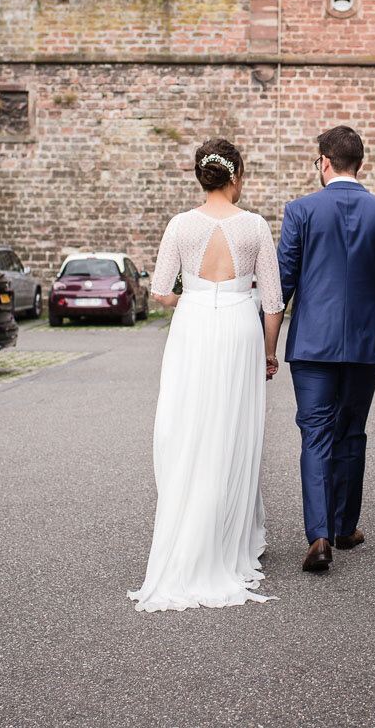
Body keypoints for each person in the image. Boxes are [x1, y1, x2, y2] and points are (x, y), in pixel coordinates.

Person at [128, 138, 286, 612]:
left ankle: (189, 525)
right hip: (241, 327)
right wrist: (269, 353)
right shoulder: (255, 226)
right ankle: (228, 536)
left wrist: (193, 299)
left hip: (193, 329)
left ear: (202, 176)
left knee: (190, 426)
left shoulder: (180, 225)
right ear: (235, 175)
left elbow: (159, 291)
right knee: (233, 430)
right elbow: (274, 302)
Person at [278, 126, 375, 572]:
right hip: (364, 342)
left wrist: (264, 337)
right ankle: (344, 526)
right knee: (352, 430)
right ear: (360, 162)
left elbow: (281, 284)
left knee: (315, 434)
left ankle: (318, 537)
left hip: (312, 345)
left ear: (323, 162)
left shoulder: (299, 211)